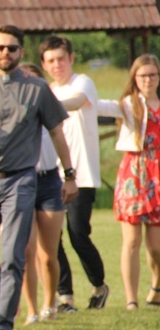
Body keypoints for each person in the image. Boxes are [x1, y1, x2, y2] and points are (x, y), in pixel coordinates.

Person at [0, 25, 78, 330]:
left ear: (21, 52)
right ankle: (5, 306)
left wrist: (69, 175)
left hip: (21, 179)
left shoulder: (37, 88)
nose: (5, 53)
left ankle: (4, 323)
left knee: (12, 254)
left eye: (11, 48)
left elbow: (56, 132)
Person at [40, 35, 109, 312]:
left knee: (78, 234)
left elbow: (78, 101)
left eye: (61, 58)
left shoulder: (83, 83)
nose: (57, 65)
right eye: (51, 60)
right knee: (52, 239)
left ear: (71, 59)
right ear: (44, 64)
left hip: (81, 176)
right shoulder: (44, 90)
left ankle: (100, 286)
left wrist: (43, 106)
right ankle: (65, 296)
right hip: (51, 174)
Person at [97, 54, 160, 310]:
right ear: (135, 78)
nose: (148, 80)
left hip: (157, 172)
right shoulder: (127, 104)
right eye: (142, 75)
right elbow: (98, 105)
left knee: (155, 246)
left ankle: (156, 284)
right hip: (134, 172)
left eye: (152, 75)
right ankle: (131, 298)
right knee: (131, 240)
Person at [18, 63, 67, 324]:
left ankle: (51, 303)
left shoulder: (51, 112)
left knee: (48, 253)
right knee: (26, 250)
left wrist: (69, 177)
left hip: (49, 181)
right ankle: (31, 310)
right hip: (21, 180)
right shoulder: (14, 114)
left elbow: (61, 139)